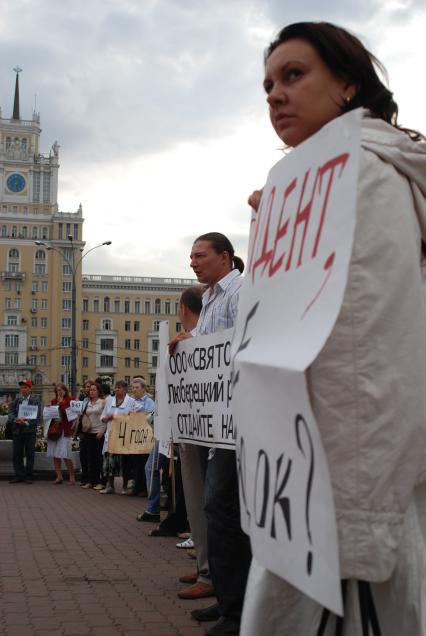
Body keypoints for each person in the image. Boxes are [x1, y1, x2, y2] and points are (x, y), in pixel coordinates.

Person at [241, 21, 426, 636]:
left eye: (294, 76)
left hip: (341, 496)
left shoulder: (366, 175)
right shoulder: (311, 182)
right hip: (305, 481)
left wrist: (355, 522)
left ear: (347, 85)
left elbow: (366, 360)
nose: (274, 94)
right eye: (268, 84)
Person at [170, 233, 251, 635]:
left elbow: (245, 342)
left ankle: (240, 611)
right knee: (216, 508)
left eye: (200, 255)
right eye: (191, 256)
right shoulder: (212, 297)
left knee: (223, 506)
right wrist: (188, 341)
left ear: (225, 257)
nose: (193, 262)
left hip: (240, 421)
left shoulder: (241, 289)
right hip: (217, 424)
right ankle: (227, 598)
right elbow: (206, 344)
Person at [99, 380, 135, 494]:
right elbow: (103, 417)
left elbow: (133, 417)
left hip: (124, 436)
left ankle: (124, 486)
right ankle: (110, 486)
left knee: (124, 462)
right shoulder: (110, 401)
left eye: (119, 388)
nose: (116, 390)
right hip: (110, 435)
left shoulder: (132, 402)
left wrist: (116, 416)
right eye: (115, 387)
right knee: (109, 462)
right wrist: (107, 418)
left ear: (125, 389)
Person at [8, 379, 42, 484]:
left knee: (30, 454)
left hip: (30, 431)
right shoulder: (17, 400)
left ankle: (28, 476)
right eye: (22, 387)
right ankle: (19, 475)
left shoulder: (36, 401)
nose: (23, 389)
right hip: (17, 431)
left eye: (25, 387)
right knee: (16, 454)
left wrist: (26, 422)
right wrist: (16, 420)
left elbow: (38, 416)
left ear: (30, 389)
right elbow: (11, 412)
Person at [127, 377, 155, 496]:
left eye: (137, 387)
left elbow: (151, 416)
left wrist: (140, 415)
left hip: (144, 437)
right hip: (133, 436)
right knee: (135, 463)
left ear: (143, 388)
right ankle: (137, 487)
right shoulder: (131, 401)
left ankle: (144, 488)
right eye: (133, 387)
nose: (134, 390)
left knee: (144, 462)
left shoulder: (149, 401)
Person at [47, 383, 76, 485]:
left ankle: (71, 476)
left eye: (62, 390)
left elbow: (70, 415)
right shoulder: (53, 401)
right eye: (58, 390)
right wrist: (49, 409)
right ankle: (59, 476)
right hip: (55, 430)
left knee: (66, 454)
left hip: (65, 430)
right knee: (55, 454)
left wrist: (61, 404)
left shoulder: (70, 400)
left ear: (65, 390)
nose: (60, 392)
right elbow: (51, 416)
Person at [81, 382, 105, 490]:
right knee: (90, 458)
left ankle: (100, 482)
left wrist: (102, 430)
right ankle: (91, 481)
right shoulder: (86, 402)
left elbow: (99, 413)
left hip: (99, 433)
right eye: (90, 390)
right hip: (88, 432)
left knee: (99, 458)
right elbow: (81, 412)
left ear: (98, 391)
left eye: (94, 389)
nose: (92, 391)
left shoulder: (102, 402)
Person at [77, 379, 93, 487]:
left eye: (90, 387)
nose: (88, 389)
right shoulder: (83, 399)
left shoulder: (97, 400)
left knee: (90, 456)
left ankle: (91, 479)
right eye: (86, 387)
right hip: (83, 429)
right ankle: (84, 477)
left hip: (93, 429)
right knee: (82, 454)